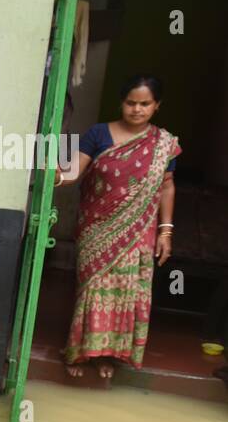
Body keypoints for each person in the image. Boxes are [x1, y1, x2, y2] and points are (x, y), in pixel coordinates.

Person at [56, 75, 180, 379]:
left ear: (156, 106)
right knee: (94, 289)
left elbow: (166, 187)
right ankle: (78, 351)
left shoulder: (164, 144)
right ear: (121, 103)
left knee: (125, 291)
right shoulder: (98, 133)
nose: (137, 109)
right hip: (96, 227)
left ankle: (106, 354)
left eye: (144, 104)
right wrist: (53, 174)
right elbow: (73, 172)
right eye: (130, 103)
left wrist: (166, 231)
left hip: (138, 231)